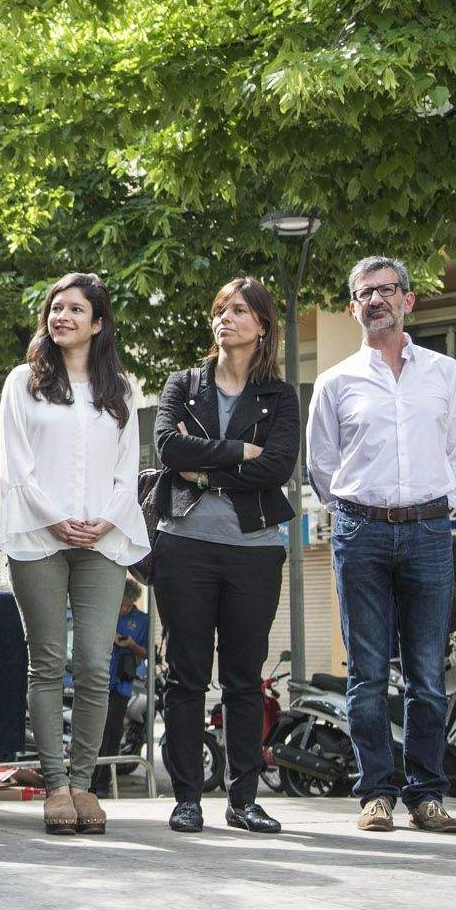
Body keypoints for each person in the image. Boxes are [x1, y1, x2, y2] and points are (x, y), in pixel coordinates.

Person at [308, 256, 456, 834]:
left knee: (428, 673)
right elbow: (321, 466)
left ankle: (427, 795)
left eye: (387, 290)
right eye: (364, 293)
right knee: (368, 672)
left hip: (429, 531)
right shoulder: (334, 382)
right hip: (362, 533)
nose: (376, 300)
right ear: (353, 308)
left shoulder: (446, 372)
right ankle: (374, 794)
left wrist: (439, 505)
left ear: (408, 300)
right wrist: (355, 512)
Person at [0, 272, 148, 834]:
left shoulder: (122, 389)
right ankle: (55, 784)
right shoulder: (23, 382)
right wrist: (55, 519)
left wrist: (105, 519)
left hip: (104, 539)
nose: (62, 316)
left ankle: (84, 784)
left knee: (92, 662)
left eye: (75, 309)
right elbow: (16, 465)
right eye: (56, 308)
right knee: (47, 663)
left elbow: (127, 466)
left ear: (98, 323)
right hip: (39, 538)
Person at [152, 277, 299, 835]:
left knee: (243, 679)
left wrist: (206, 469)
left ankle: (244, 799)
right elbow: (167, 448)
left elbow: (278, 468)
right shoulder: (183, 384)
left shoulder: (280, 396)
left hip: (254, 550)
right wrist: (238, 452)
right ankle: (187, 796)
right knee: (186, 677)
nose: (226, 319)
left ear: (261, 326)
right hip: (184, 543)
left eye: (239, 311)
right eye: (220, 310)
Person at [90, 578, 150, 798]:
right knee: (93, 731)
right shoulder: (104, 613)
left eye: (127, 604)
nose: (123, 608)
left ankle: (102, 784)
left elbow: (147, 653)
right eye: (120, 604)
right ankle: (86, 781)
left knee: (113, 732)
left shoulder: (143, 620)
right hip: (98, 678)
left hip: (122, 683)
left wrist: (132, 645)